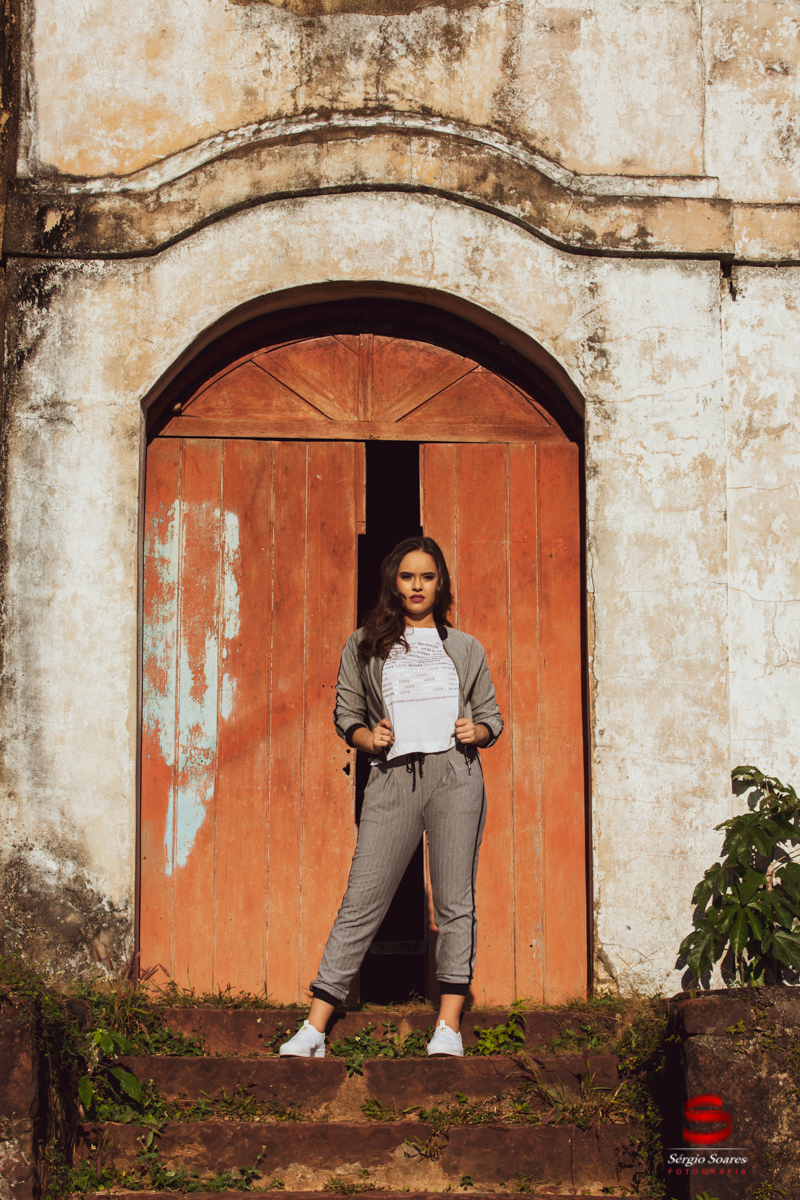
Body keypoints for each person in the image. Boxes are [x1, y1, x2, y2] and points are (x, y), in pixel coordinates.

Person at [279, 536, 503, 1058]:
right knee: (362, 899)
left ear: (440, 583)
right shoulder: (364, 643)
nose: (417, 586)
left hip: (456, 776)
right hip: (392, 779)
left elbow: (492, 716)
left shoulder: (466, 647)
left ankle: (447, 1027)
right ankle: (315, 1029)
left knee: (455, 902)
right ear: (393, 583)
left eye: (427, 576)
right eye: (407, 576)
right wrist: (367, 738)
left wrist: (478, 731)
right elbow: (346, 713)